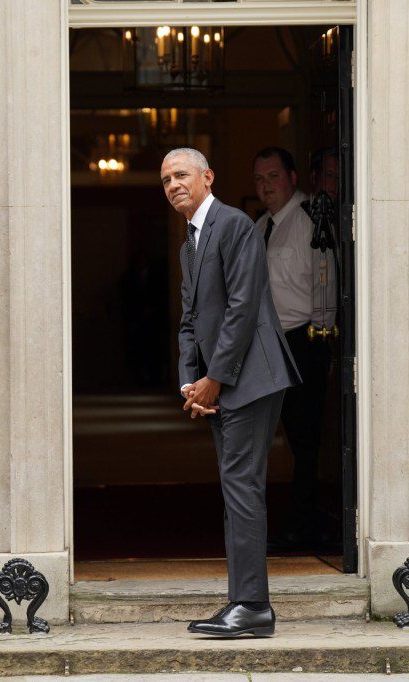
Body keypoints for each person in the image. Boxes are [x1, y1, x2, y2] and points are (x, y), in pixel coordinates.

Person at [161, 147, 299, 638]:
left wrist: (214, 378)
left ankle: (252, 606)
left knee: (242, 488)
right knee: (236, 487)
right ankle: (244, 601)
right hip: (223, 382)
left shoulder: (234, 224)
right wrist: (189, 381)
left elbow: (243, 307)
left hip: (252, 379)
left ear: (207, 177)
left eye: (182, 175)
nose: (174, 184)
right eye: (166, 180)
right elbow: (190, 322)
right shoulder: (190, 243)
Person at [251, 146, 338, 553]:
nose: (266, 186)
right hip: (271, 344)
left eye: (272, 176)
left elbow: (327, 286)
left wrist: (325, 345)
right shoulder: (262, 225)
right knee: (284, 438)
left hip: (304, 341)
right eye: (259, 179)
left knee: (306, 441)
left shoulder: (309, 222)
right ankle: (300, 521)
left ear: (291, 176)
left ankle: (305, 526)